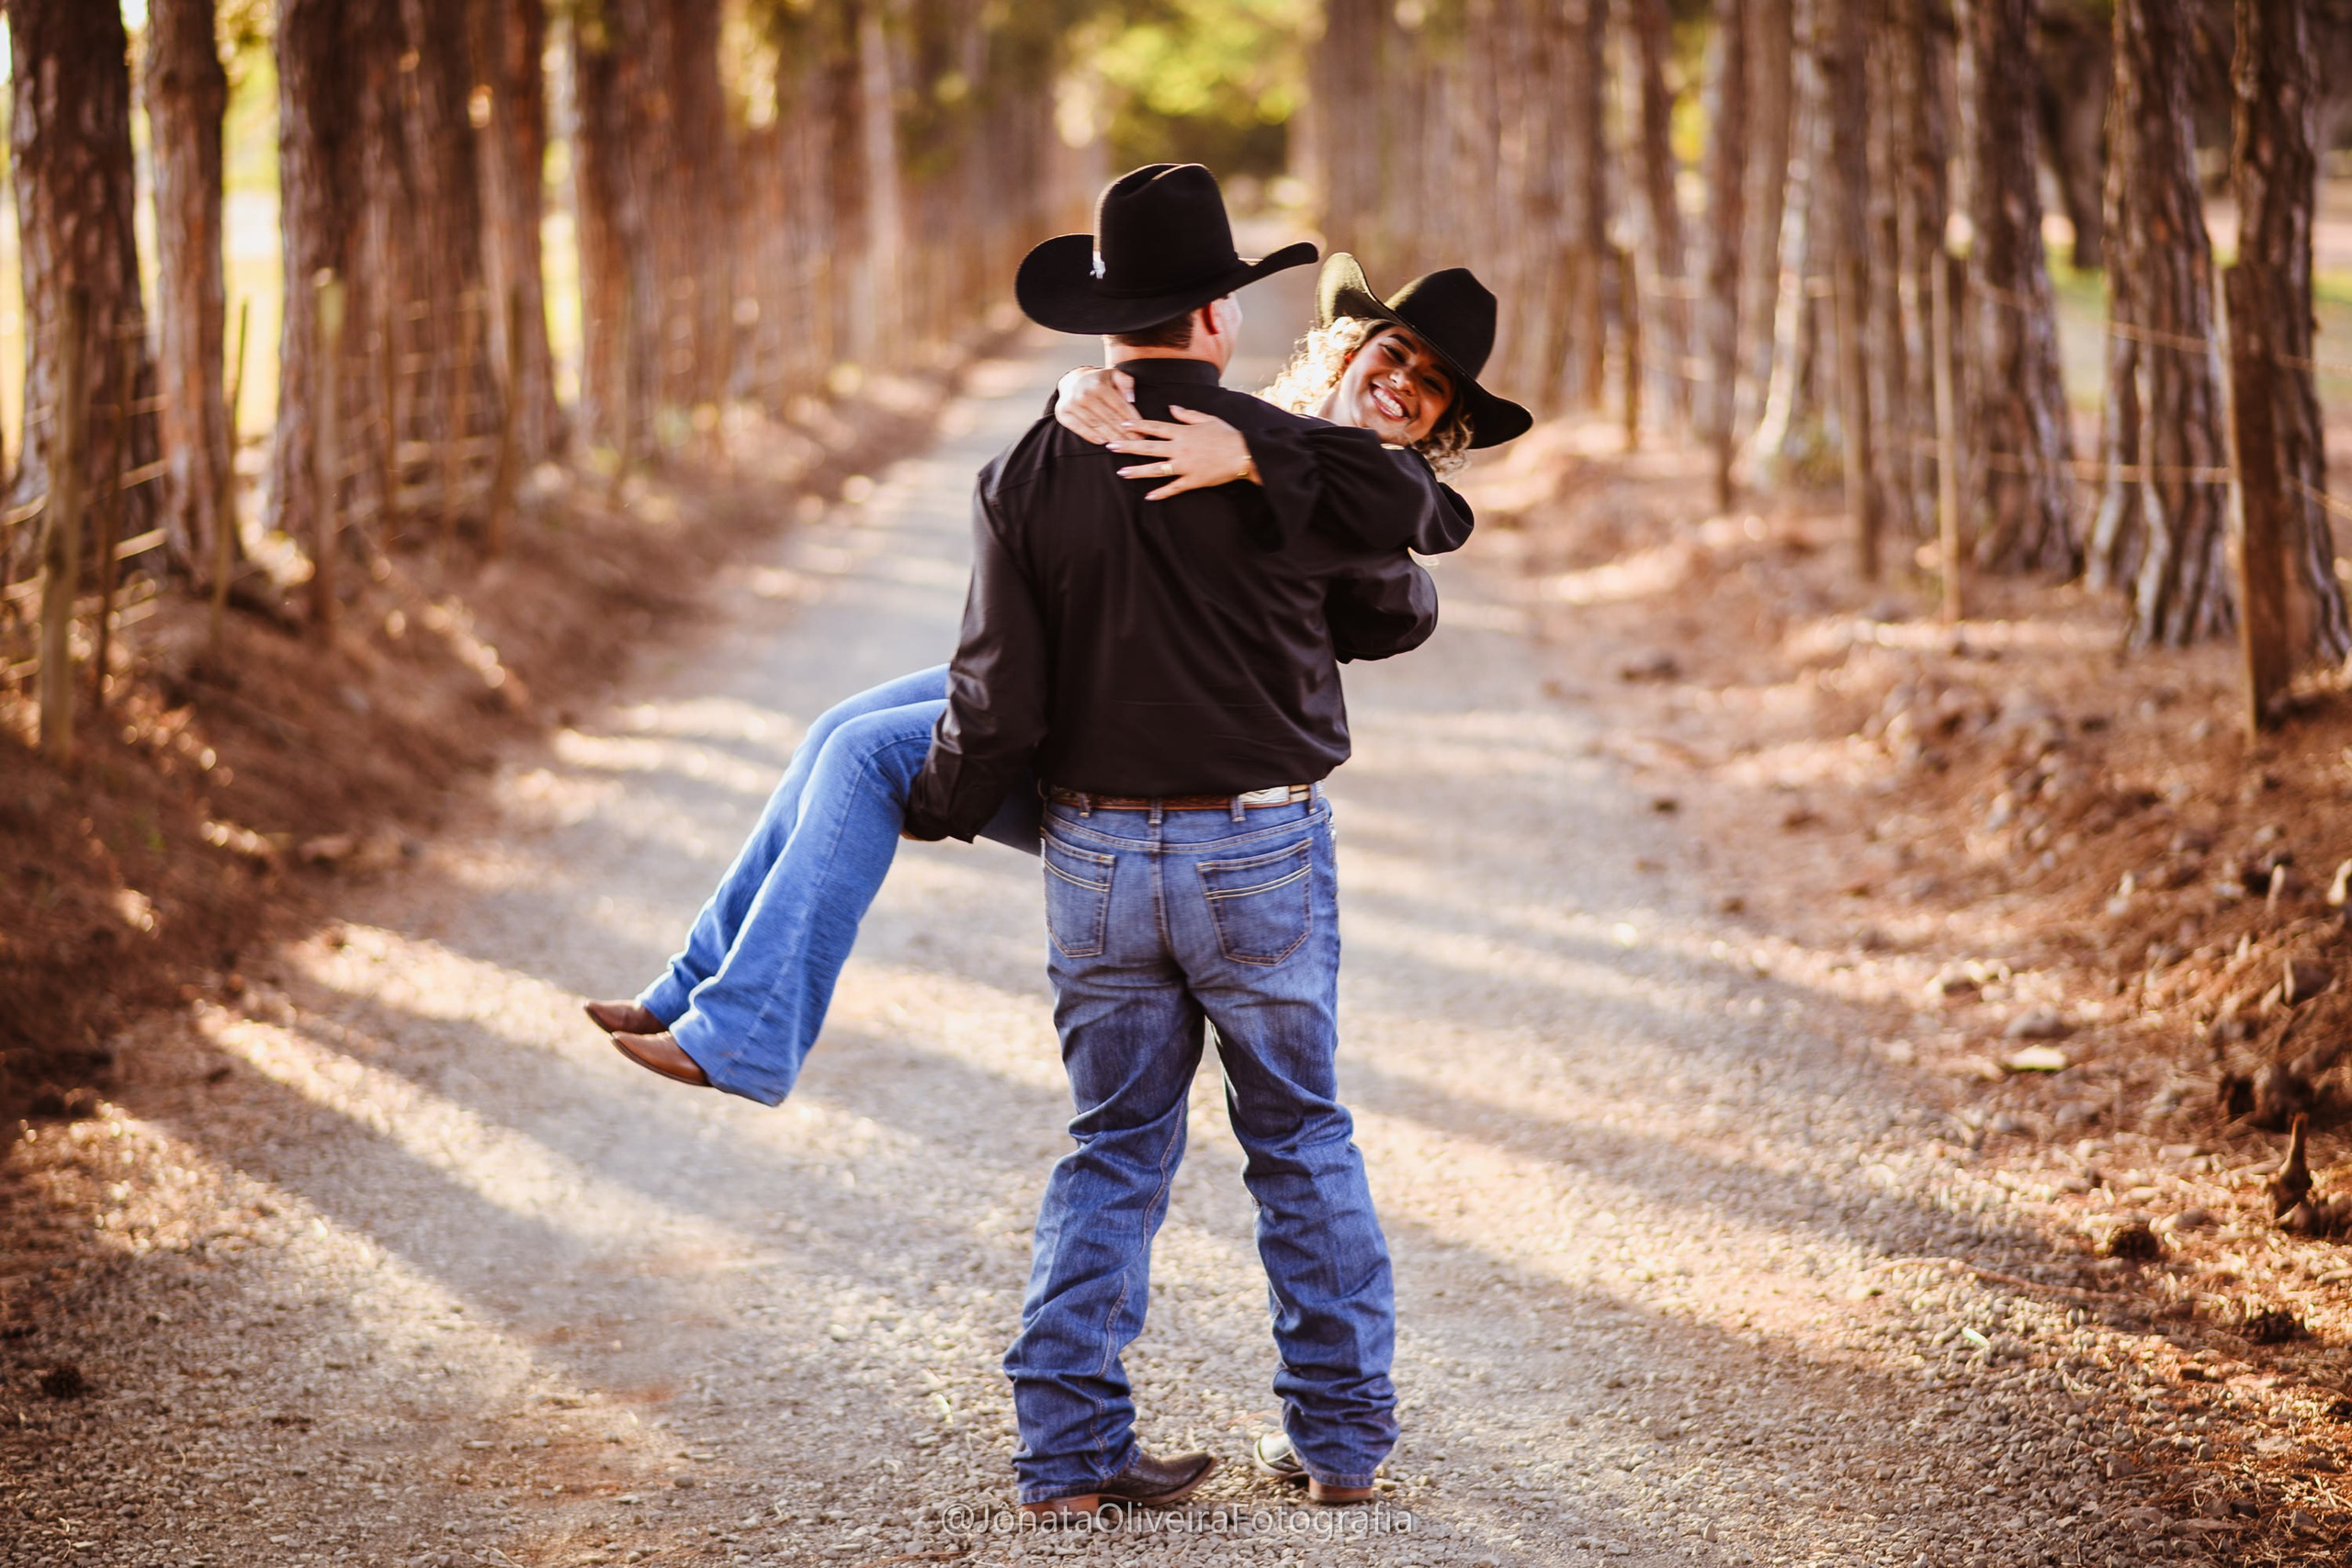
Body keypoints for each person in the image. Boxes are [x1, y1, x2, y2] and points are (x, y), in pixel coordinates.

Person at [894, 163, 1532, 1518]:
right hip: (1259, 849)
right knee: (1300, 1137)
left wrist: (938, 797)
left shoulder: (1030, 462)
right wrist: (1269, 458)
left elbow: (996, 693)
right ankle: (1344, 1439)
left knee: (1114, 1143)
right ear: (1223, 318)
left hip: (1098, 857)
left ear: (1106, 319)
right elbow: (1403, 576)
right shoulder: (1293, 460)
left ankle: (1067, 1453)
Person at [583, 232, 1526, 1114]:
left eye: (1431, 385)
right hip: (1103, 699)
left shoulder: (1366, 486)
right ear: (1349, 349)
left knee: (869, 757)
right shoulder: (1258, 423)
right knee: (841, 726)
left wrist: (1252, 458)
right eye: (1393, 355)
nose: (1403, 383)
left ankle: (741, 1034)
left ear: (1443, 421)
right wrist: (1085, 388)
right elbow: (1150, 424)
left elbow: (1405, 570)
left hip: (1152, 763)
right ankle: (688, 986)